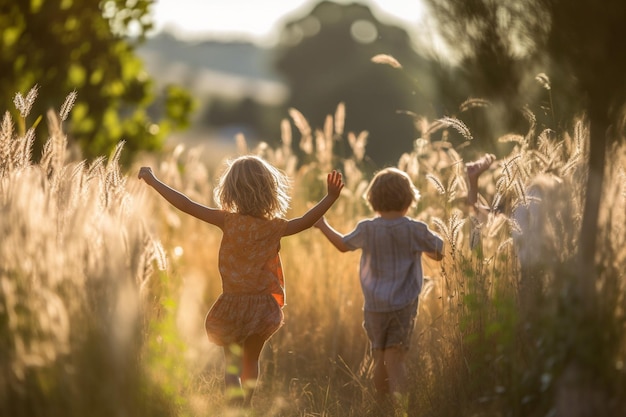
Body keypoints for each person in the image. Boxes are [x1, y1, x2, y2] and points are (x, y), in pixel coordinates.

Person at [138, 155, 344, 407]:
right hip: (263, 306)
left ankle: (234, 408)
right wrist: (330, 197)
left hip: (232, 304)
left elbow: (186, 204)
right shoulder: (275, 227)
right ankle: (245, 404)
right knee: (251, 361)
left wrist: (154, 181)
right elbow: (305, 222)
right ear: (269, 190)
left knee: (231, 365)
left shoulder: (228, 221)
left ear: (230, 192)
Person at [313, 167, 444, 411]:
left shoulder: (367, 228)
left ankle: (381, 407)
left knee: (379, 357)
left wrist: (323, 225)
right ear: (408, 200)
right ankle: (401, 410)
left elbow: (343, 245)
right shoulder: (415, 229)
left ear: (373, 199)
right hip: (403, 307)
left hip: (373, 307)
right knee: (396, 360)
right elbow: (440, 251)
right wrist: (420, 248)